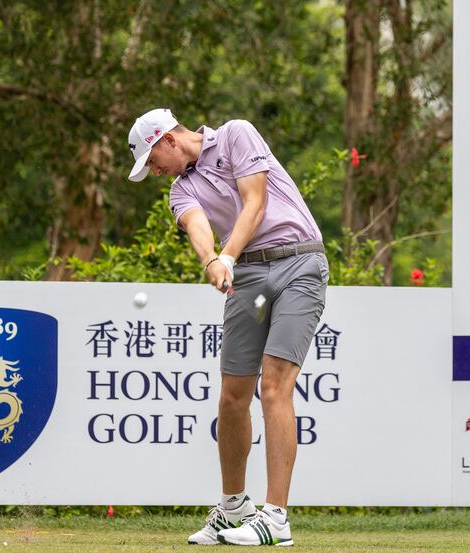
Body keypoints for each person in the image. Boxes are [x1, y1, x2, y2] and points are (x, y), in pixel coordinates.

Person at [127, 108, 328, 546]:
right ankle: (234, 506)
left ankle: (275, 519)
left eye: (152, 160)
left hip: (299, 263)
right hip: (249, 281)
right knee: (233, 396)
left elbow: (255, 201)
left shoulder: (237, 134)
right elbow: (198, 226)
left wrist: (227, 257)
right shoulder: (180, 190)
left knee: (274, 385)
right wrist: (209, 261)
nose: (155, 172)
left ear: (168, 139)